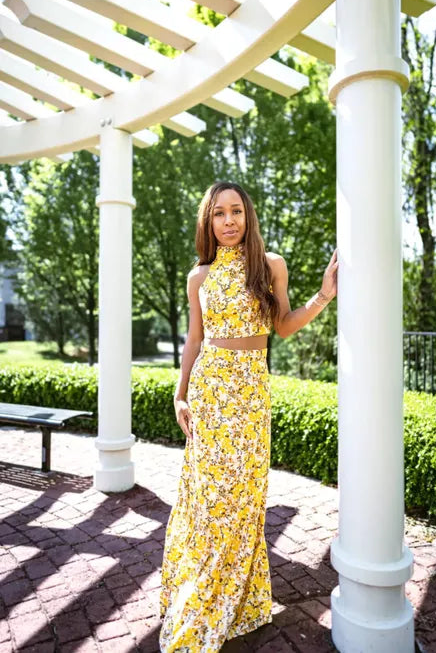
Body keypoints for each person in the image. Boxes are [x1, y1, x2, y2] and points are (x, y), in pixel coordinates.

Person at [159, 181, 338, 652]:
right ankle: (204, 602)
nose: (229, 221)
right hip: (211, 391)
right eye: (219, 214)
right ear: (209, 222)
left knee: (244, 499)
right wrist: (181, 395)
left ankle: (242, 600)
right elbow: (194, 342)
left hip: (251, 393)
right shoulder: (199, 277)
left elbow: (282, 327)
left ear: (248, 216)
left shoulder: (271, 265)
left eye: (236, 211)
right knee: (212, 499)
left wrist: (322, 296)